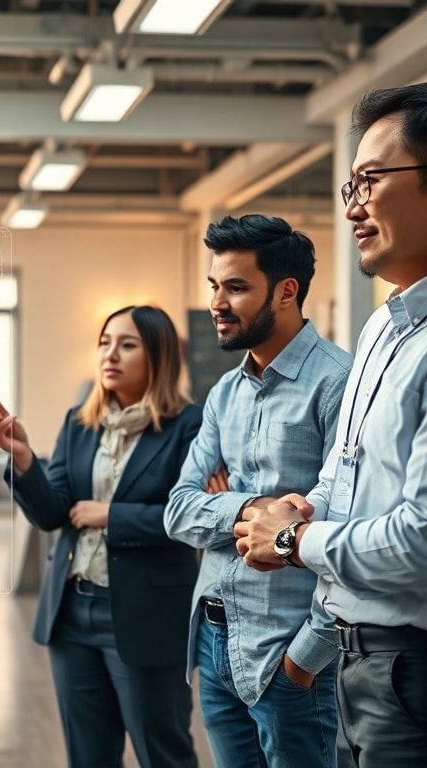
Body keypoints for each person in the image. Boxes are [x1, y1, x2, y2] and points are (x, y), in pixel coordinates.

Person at [234, 83, 427, 767]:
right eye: (350, 185)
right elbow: (347, 476)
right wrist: (311, 508)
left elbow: (420, 539)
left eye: (372, 180)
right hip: (353, 659)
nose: (353, 207)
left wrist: (291, 537)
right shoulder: (384, 327)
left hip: (409, 667)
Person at [164, 214, 352, 768]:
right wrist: (249, 507)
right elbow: (178, 510)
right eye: (214, 286)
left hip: (289, 658)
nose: (218, 302)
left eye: (237, 287)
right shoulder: (225, 392)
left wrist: (305, 660)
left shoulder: (339, 384)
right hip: (214, 642)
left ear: (286, 291)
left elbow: (343, 528)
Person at [0, 305, 201, 768]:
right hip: (72, 614)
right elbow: (52, 514)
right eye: (105, 343)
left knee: (162, 752)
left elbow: (191, 518)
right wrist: (23, 459)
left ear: (158, 355)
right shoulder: (80, 424)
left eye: (127, 344)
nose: (110, 354)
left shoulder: (190, 426)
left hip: (146, 616)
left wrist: (112, 516)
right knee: (88, 757)